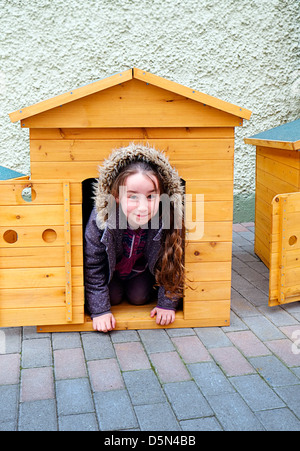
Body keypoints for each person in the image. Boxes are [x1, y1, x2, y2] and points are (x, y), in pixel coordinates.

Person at [84, 143, 185, 333]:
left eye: (150, 197)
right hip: (110, 272)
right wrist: (99, 311)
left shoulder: (166, 219)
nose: (142, 207)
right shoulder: (102, 219)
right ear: (116, 196)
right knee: (112, 297)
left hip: (139, 271)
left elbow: (173, 261)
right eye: (132, 197)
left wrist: (167, 304)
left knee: (138, 297)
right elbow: (93, 265)